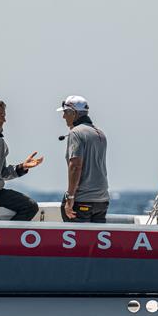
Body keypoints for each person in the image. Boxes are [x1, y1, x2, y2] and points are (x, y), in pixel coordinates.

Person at [57, 95, 109, 223]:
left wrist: (70, 198)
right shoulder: (100, 133)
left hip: (82, 200)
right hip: (102, 201)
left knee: (78, 242)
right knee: (94, 242)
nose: (63, 117)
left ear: (73, 113)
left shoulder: (76, 132)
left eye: (65, 112)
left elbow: (75, 166)